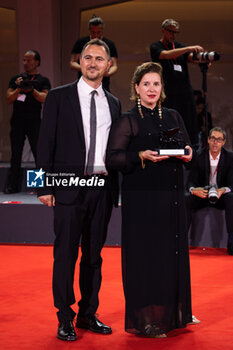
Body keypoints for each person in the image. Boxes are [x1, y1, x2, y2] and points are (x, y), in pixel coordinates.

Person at [106, 62, 199, 338]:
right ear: (136, 88)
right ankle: (146, 319)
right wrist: (141, 156)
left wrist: (188, 155)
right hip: (142, 201)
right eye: (146, 84)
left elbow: (188, 147)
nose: (151, 89)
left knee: (173, 255)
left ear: (162, 88)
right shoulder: (128, 119)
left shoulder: (173, 115)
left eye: (156, 84)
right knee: (146, 259)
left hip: (171, 198)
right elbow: (112, 159)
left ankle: (178, 311)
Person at [37, 39, 121, 341]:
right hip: (68, 187)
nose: (93, 63)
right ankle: (64, 316)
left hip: (101, 188)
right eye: (88, 57)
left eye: (100, 58)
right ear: (79, 62)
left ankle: (87, 313)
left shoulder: (114, 103)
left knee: (94, 257)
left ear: (108, 65)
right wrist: (42, 186)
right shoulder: (59, 97)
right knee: (65, 255)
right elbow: (43, 143)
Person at [150, 18, 205, 147]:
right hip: (168, 92)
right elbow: (166, 54)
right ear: (163, 31)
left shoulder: (180, 47)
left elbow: (191, 58)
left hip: (184, 91)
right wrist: (188, 48)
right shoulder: (155, 46)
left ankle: (192, 147)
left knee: (188, 122)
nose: (173, 35)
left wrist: (203, 58)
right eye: (170, 32)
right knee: (169, 122)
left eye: (175, 32)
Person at [4, 49, 51, 194]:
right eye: (24, 60)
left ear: (37, 62)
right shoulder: (16, 79)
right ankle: (13, 186)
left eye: (29, 60)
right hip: (17, 121)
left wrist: (32, 90)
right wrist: (19, 88)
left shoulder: (42, 80)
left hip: (34, 121)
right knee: (15, 154)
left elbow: (45, 98)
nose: (26, 63)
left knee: (39, 154)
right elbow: (9, 98)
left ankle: (40, 187)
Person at [186, 127, 233, 255]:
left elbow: (231, 183)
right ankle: (182, 241)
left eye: (218, 140)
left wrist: (222, 190)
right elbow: (191, 181)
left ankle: (231, 241)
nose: (215, 142)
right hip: (203, 194)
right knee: (187, 198)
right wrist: (194, 190)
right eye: (212, 139)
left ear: (223, 142)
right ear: (208, 140)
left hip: (220, 195)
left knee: (231, 198)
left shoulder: (230, 157)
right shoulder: (199, 156)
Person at [70, 15, 118, 92]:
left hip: (103, 85)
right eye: (93, 32)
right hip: (83, 84)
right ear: (89, 30)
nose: (96, 35)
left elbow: (114, 66)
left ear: (102, 30)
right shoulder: (80, 42)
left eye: (98, 32)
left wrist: (107, 73)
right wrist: (86, 69)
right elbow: (72, 63)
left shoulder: (110, 44)